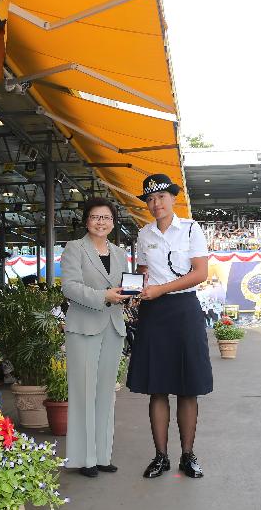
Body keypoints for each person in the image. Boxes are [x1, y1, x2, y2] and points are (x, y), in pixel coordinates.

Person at [126, 174, 213, 480]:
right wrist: (133, 291)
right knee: (157, 387)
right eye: (150, 199)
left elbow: (200, 273)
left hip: (184, 308)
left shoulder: (191, 228)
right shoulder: (144, 234)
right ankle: (161, 456)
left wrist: (160, 289)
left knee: (188, 388)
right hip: (153, 312)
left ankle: (187, 456)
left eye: (161, 197)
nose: (155, 203)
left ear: (172, 198)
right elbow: (143, 273)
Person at [60, 197, 130, 478]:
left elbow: (122, 286)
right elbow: (70, 288)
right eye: (95, 217)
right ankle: (83, 458)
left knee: (105, 395)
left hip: (113, 326)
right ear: (86, 220)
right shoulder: (74, 248)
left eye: (106, 218)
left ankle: (102, 455)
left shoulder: (120, 252)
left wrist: (127, 296)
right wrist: (104, 296)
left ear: (113, 223)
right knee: (83, 393)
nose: (101, 222)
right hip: (83, 327)